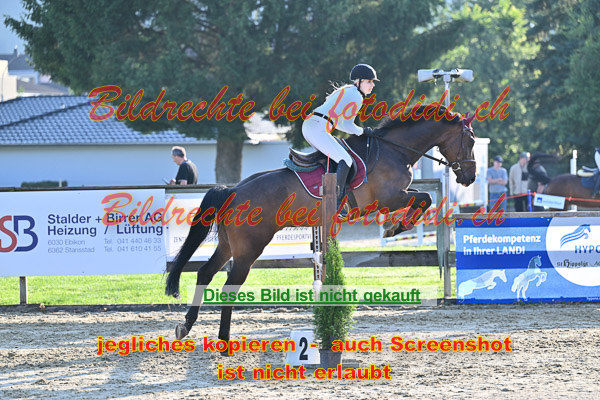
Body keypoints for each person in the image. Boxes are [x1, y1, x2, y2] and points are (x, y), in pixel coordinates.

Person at [302, 64, 378, 212]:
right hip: (317, 127)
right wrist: (363, 131)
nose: (372, 85)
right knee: (346, 160)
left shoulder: (349, 91)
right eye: (369, 81)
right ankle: (335, 202)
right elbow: (348, 124)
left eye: (372, 82)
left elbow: (342, 124)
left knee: (337, 158)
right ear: (358, 82)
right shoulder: (356, 96)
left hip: (314, 125)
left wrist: (360, 131)